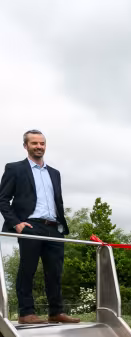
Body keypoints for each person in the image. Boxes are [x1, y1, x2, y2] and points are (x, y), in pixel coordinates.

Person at [0, 129, 79, 325]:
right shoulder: (14, 169)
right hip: (30, 226)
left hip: (54, 228)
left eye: (42, 143)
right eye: (34, 143)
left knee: (55, 271)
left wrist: (60, 223)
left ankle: (56, 312)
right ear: (26, 146)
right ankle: (26, 313)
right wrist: (17, 224)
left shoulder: (55, 173)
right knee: (28, 269)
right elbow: (2, 199)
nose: (39, 147)